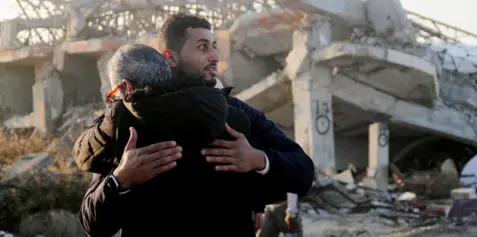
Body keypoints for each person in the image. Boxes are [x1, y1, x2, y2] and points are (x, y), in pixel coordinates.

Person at [74, 14, 314, 236]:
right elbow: (93, 224)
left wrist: (257, 160)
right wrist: (121, 179)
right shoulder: (128, 122)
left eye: (214, 46)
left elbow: (303, 172)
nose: (214, 56)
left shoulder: (237, 114)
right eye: (202, 47)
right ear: (169, 57)